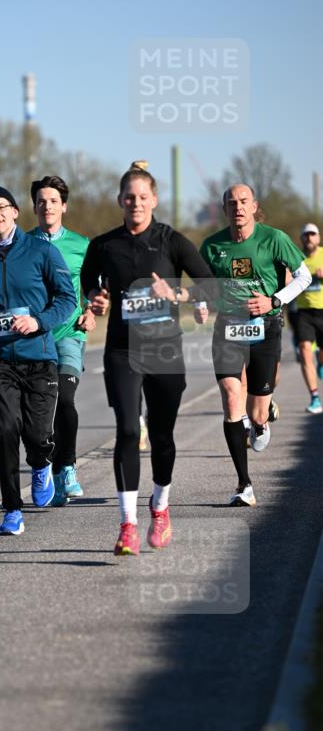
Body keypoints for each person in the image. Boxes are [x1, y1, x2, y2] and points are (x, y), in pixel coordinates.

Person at [81, 160, 213, 556]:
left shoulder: (172, 241)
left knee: (161, 436)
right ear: (119, 201)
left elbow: (211, 287)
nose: (135, 203)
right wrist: (96, 298)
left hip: (165, 350)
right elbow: (90, 280)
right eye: (128, 197)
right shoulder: (104, 245)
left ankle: (160, 505)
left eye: (142, 197)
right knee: (125, 430)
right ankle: (127, 525)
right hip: (123, 350)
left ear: (154, 199)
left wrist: (178, 296)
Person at [0, 184, 77, 535]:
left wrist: (38, 321)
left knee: (37, 436)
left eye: (2, 206)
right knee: (5, 431)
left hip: (38, 358)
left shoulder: (41, 252)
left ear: (16, 211)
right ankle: (11, 510)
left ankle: (41, 465)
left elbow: (67, 300)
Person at [196, 185, 311, 506]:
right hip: (228, 328)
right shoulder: (211, 246)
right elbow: (203, 287)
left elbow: (302, 277)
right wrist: (202, 305)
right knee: (232, 397)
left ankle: (260, 422)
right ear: (224, 209)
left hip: (266, 325)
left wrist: (274, 299)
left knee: (257, 410)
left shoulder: (274, 238)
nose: (238, 208)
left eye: (244, 202)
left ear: (254, 206)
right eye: (232, 203)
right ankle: (243, 484)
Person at [26, 175, 96, 505]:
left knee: (65, 399)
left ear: (64, 206)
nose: (47, 206)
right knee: (42, 408)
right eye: (41, 201)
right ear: (34, 207)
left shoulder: (83, 245)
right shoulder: (22, 245)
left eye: (53, 200)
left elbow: (98, 287)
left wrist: (94, 309)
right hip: (35, 339)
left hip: (69, 333)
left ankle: (67, 466)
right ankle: (49, 469)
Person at [294, 222, 323, 413]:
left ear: (318, 238)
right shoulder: (296, 258)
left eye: (312, 235)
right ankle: (314, 397)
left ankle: (321, 361)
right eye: (305, 235)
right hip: (304, 312)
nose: (309, 238)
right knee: (304, 350)